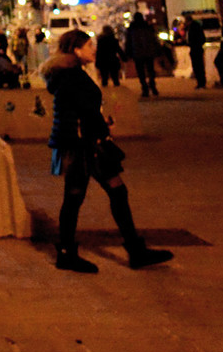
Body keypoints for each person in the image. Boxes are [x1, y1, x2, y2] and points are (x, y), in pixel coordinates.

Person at [43, 31, 173, 273]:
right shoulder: (71, 76)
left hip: (87, 142)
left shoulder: (71, 74)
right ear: (75, 50)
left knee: (116, 190)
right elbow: (84, 112)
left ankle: (134, 249)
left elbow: (83, 109)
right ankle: (67, 252)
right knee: (75, 197)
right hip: (80, 145)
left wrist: (101, 124)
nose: (93, 49)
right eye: (88, 45)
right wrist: (103, 126)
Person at [124, 13, 161, 97]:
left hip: (137, 53)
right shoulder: (148, 27)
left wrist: (128, 53)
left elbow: (128, 42)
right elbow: (154, 39)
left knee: (141, 72)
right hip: (149, 52)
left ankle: (145, 88)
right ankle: (152, 84)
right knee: (150, 70)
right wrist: (157, 50)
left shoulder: (132, 29)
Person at [185, 17, 208, 89]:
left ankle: (200, 83)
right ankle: (202, 82)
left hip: (195, 49)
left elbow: (191, 39)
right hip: (198, 49)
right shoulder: (197, 27)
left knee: (197, 66)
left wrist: (191, 44)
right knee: (200, 66)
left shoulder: (192, 28)